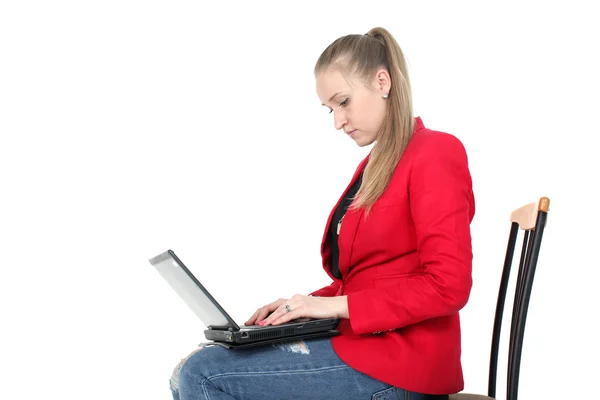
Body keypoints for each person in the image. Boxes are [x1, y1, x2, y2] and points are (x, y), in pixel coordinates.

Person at [170, 26, 475, 400]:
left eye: (343, 101)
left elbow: (449, 285)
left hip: (402, 365)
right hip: (366, 347)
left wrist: (328, 305)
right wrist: (299, 306)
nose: (338, 121)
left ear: (382, 81)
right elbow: (366, 278)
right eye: (330, 109)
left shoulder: (435, 152)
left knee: (202, 375)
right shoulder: (377, 166)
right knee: (202, 362)